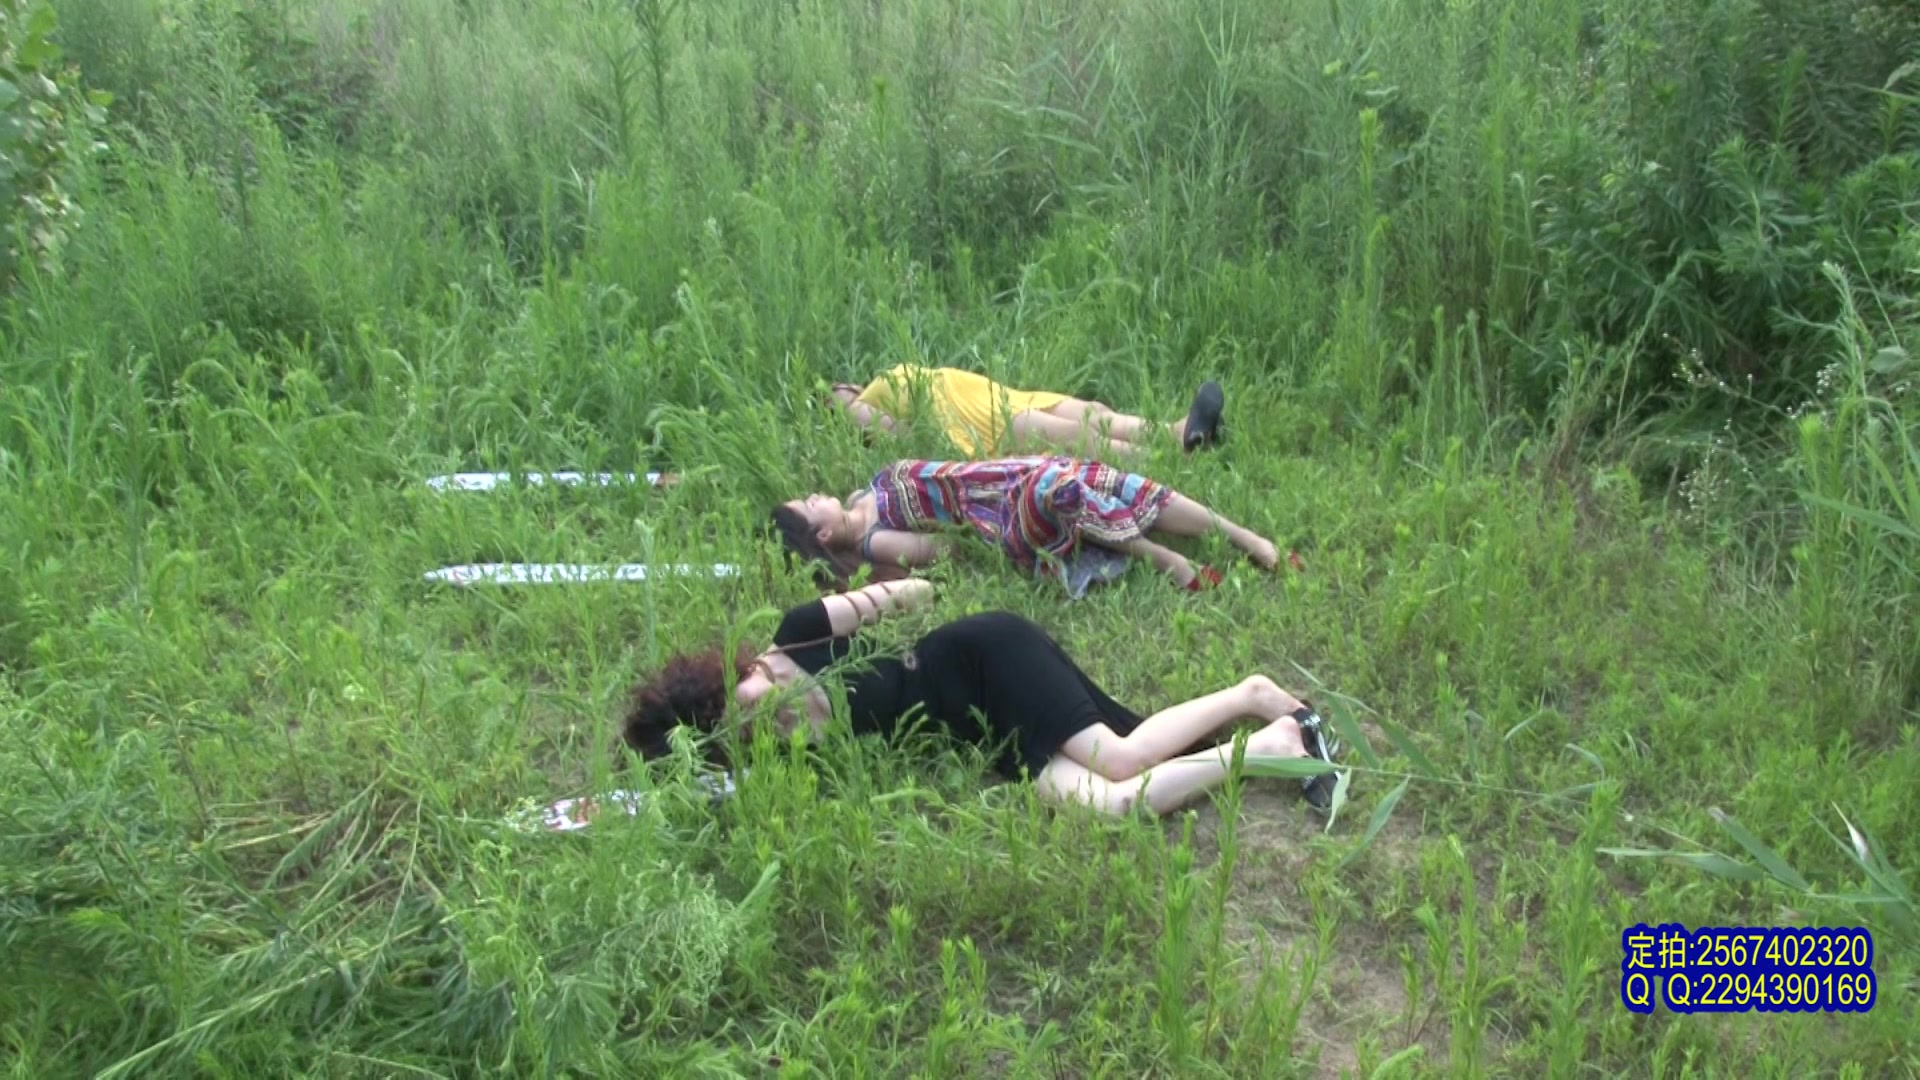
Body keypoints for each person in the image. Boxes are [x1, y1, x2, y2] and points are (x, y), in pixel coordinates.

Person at [620, 578, 1346, 815]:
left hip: (983, 659)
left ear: (736, 672)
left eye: (747, 698)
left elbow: (916, 592)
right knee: (1115, 809)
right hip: (982, 734)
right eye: (744, 731)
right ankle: (1273, 745)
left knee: (1121, 758)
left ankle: (1253, 693)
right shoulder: (783, 760)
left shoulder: (800, 632)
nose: (764, 716)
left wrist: (872, 601)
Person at [769, 455, 1291, 596]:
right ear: (822, 535)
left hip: (1007, 474)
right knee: (1055, 487)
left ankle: (1244, 537)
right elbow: (951, 550)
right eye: (809, 505)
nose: (815, 494)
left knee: (1100, 477)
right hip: (1003, 520)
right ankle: (1165, 558)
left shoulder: (862, 496)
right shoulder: (874, 539)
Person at [828, 364, 1226, 461]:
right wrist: (843, 409)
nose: (840, 388)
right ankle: (1165, 459)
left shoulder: (876, 384)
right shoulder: (857, 408)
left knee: (1092, 413)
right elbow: (902, 436)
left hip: (996, 395)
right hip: (973, 420)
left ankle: (1176, 432)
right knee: (1074, 436)